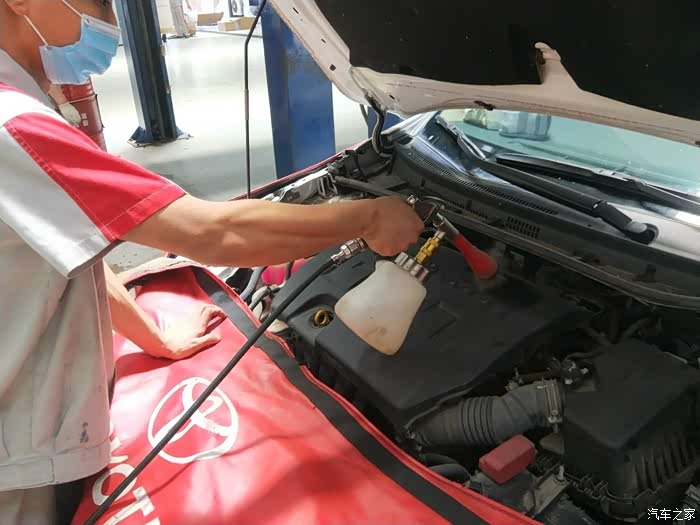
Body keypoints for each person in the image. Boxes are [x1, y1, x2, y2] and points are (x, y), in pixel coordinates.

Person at [0, 1, 424, 523]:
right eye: (100, 3)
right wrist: (367, 217)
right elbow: (212, 232)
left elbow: (72, 249)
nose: (109, 23)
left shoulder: (22, 107)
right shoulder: (15, 125)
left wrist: (154, 338)